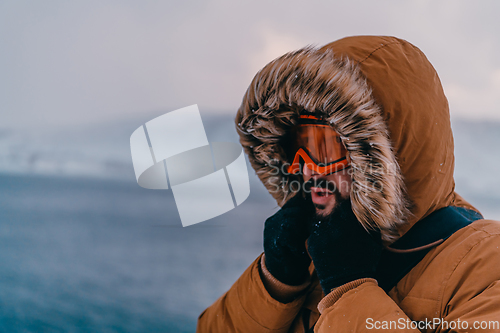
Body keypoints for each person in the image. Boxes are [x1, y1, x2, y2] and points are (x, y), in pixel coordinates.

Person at [196, 36, 500, 332]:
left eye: (323, 147)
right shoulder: (318, 251)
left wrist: (349, 291)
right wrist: (274, 283)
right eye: (296, 147)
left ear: (385, 155)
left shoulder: (486, 265)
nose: (307, 171)